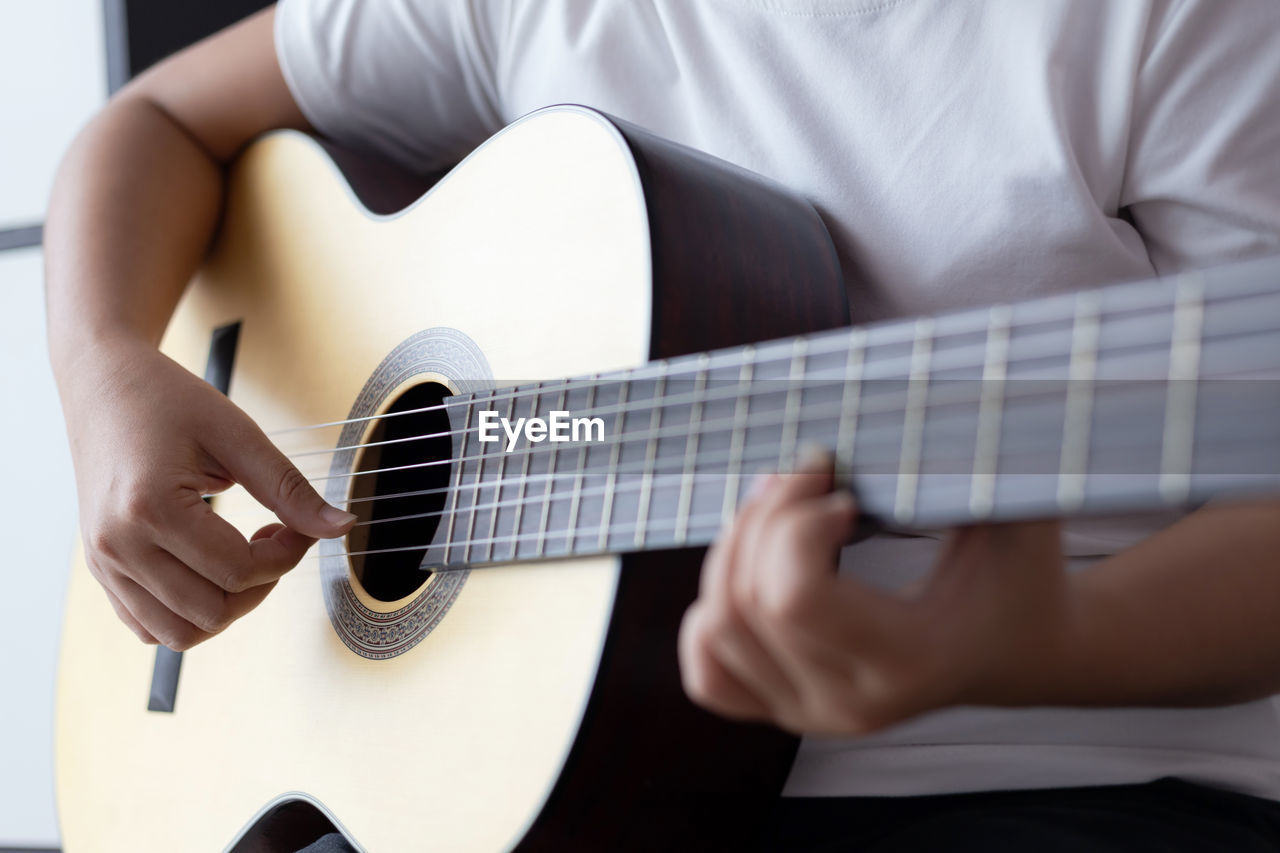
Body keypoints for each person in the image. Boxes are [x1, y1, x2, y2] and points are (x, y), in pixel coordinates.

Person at [45, 1, 1280, 850]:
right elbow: (154, 123)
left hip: (1063, 773)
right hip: (526, 786)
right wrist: (105, 369)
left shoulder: (1180, 28)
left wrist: (1031, 643)